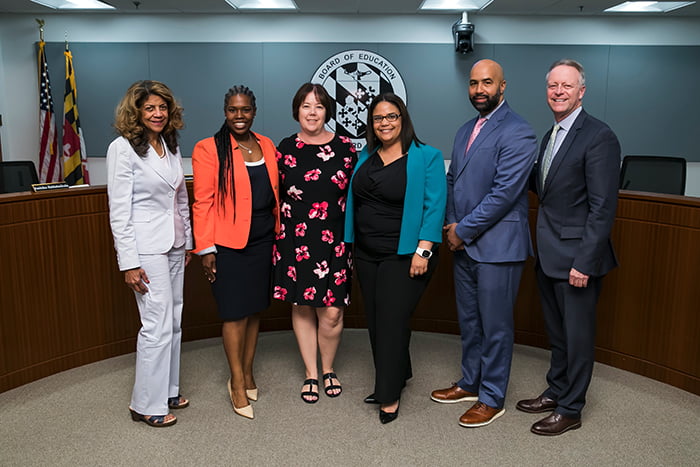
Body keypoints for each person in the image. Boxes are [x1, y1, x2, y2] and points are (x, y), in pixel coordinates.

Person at [516, 59, 621, 436]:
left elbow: (602, 206)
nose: (558, 92)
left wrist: (585, 262)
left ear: (582, 91)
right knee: (557, 334)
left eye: (567, 86)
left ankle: (571, 408)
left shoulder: (598, 136)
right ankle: (557, 390)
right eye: (552, 86)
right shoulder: (551, 135)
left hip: (577, 259)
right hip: (548, 254)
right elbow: (541, 186)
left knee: (577, 337)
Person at [431, 59, 537, 428]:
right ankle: (471, 382)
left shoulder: (519, 132)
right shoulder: (464, 131)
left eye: (487, 83)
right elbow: (450, 180)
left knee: (495, 326)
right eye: (474, 83)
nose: (479, 89)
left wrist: (463, 230)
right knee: (471, 322)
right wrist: (450, 223)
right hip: (464, 244)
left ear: (503, 87)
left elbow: (504, 193)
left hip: (498, 246)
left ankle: (492, 397)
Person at [345, 93, 447, 424]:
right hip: (366, 253)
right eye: (378, 118)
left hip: (404, 254)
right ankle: (398, 373)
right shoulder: (365, 156)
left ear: (403, 119)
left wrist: (424, 250)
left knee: (390, 320)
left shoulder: (426, 157)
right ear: (371, 124)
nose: (385, 123)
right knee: (377, 319)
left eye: (391, 116)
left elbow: (435, 205)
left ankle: (388, 394)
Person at [106, 80, 193, 428]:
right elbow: (119, 210)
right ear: (136, 112)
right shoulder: (122, 149)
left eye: (162, 107)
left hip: (173, 244)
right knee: (155, 324)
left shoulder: (169, 145)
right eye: (149, 108)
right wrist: (129, 263)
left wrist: (186, 239)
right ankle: (146, 404)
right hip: (145, 250)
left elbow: (180, 197)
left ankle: (168, 390)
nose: (158, 114)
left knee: (173, 319)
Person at [191, 85, 280, 420]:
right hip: (227, 243)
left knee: (255, 308)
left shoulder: (266, 145)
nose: (238, 116)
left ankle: (248, 370)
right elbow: (202, 202)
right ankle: (237, 382)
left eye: (244, 110)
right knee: (234, 312)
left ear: (254, 111)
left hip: (263, 239)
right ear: (225, 111)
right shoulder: (209, 148)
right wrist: (206, 248)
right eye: (232, 110)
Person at [272, 83, 357, 403]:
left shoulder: (347, 148)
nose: (312, 112)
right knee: (303, 305)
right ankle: (311, 372)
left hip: (335, 240)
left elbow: (359, 193)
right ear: (297, 110)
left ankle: (328, 368)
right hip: (296, 239)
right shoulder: (284, 148)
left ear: (327, 112)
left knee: (332, 311)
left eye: (319, 106)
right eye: (306, 106)